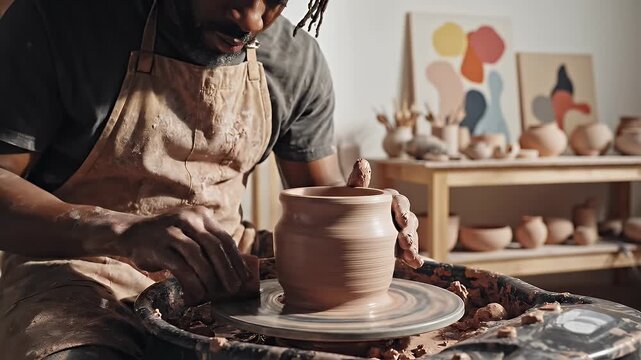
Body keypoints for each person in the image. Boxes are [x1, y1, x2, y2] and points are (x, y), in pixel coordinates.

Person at [0, 0, 422, 359]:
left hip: (225, 264)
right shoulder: (60, 19)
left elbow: (327, 192)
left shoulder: (294, 59)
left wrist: (368, 214)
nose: (253, 19)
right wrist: (120, 229)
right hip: (77, 266)